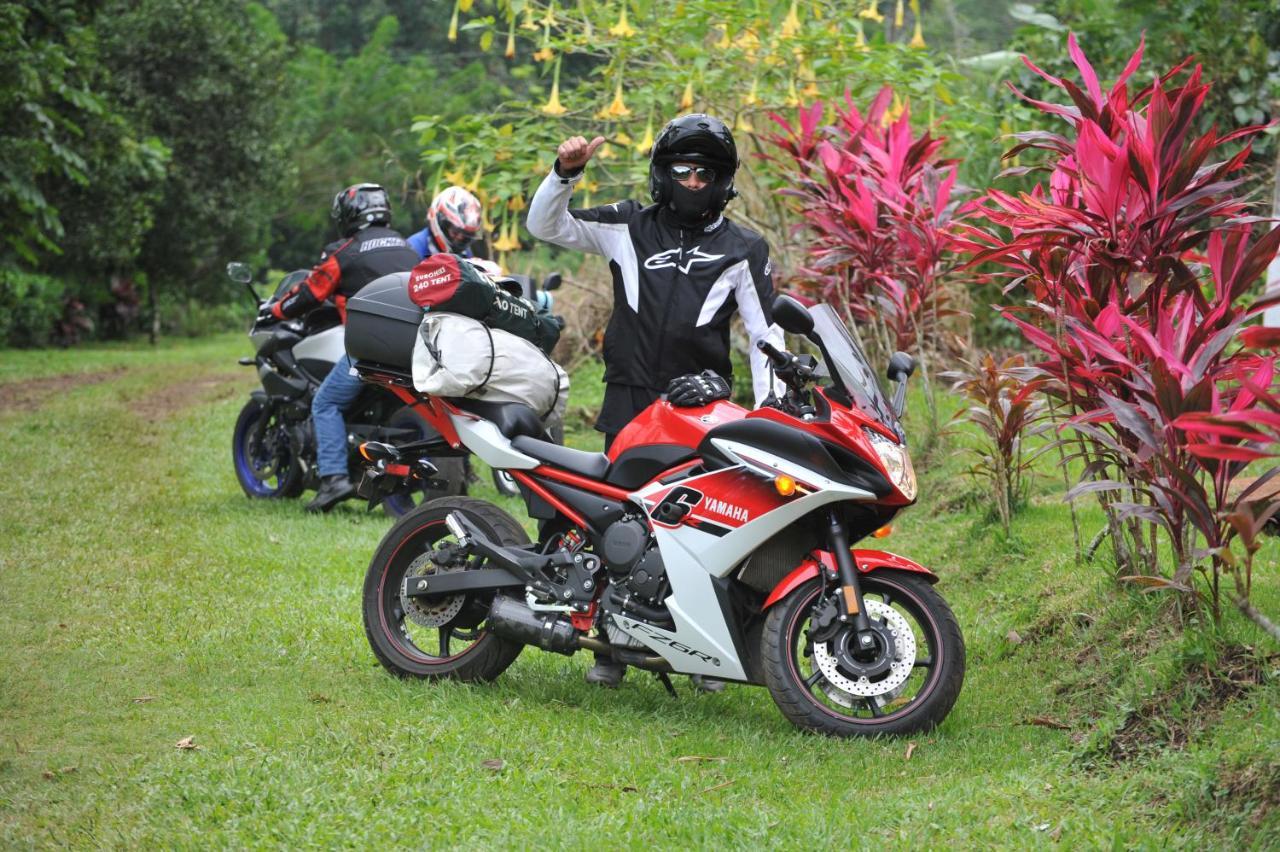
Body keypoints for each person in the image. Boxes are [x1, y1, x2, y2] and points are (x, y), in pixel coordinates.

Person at [526, 114, 784, 687]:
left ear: (724, 181)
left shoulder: (745, 247)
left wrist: (768, 415)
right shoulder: (626, 224)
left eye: (707, 173)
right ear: (663, 174)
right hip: (629, 395)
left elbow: (767, 337)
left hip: (701, 404)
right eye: (683, 170)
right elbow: (546, 225)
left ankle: (703, 653)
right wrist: (564, 174)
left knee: (705, 524)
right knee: (616, 517)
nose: (694, 181)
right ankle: (607, 646)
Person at [260, 183, 421, 512]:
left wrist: (274, 310)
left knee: (325, 403)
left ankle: (333, 480)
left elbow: (309, 293)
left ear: (349, 214)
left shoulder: (344, 250)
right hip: (416, 346)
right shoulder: (406, 247)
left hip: (372, 349)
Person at [407, 186, 483, 260]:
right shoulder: (414, 249)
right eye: (455, 231)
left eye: (467, 235)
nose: (460, 238)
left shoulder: (464, 252)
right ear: (441, 223)